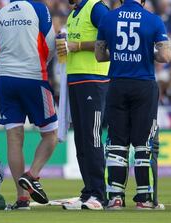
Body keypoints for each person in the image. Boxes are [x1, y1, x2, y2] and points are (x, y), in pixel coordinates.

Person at [95, 0, 171, 209]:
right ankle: (144, 199)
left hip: (117, 85)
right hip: (144, 85)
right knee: (143, 143)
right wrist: (146, 53)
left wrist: (121, 57)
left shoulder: (107, 18)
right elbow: (165, 56)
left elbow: (100, 55)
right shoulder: (154, 20)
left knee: (117, 144)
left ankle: (115, 198)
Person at [0, 0, 57, 209]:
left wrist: (7, 65)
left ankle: (22, 198)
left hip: (6, 80)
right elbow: (51, 43)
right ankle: (32, 175)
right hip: (34, 76)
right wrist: (39, 63)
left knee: (14, 139)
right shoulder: (39, 9)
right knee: (51, 134)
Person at [56, 0, 110, 210]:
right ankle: (89, 191)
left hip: (94, 79)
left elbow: (109, 38)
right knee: (80, 137)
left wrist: (76, 46)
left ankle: (99, 194)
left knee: (91, 135)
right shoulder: (74, 13)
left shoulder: (96, 8)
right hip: (76, 79)